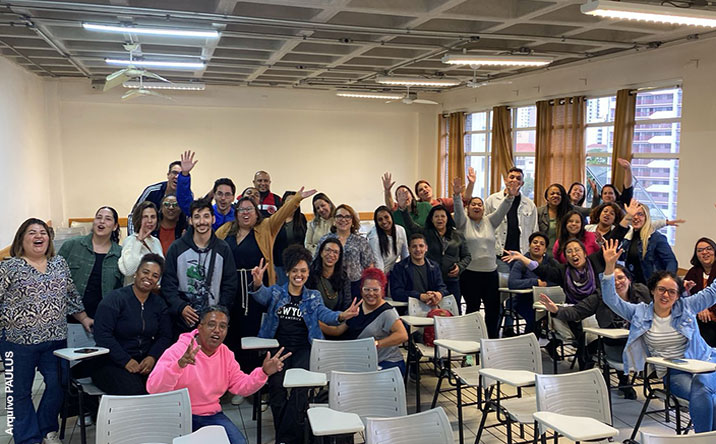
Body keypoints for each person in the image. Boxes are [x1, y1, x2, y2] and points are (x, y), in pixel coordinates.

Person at [601, 239, 716, 433]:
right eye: (661, 289)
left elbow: (713, 292)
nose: (666, 295)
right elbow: (611, 299)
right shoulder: (639, 312)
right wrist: (609, 267)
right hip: (674, 372)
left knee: (705, 389)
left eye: (672, 292)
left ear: (678, 295)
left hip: (705, 362)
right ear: (653, 290)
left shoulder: (686, 306)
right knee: (704, 392)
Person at [249, 246, 360, 444]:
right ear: (287, 272)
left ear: (308, 273)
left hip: (304, 349)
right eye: (294, 271)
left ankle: (285, 439)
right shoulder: (276, 292)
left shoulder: (313, 296)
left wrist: (342, 316)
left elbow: (325, 314)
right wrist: (258, 283)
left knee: (301, 389)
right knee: (277, 387)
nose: (298, 275)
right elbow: (261, 295)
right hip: (278, 349)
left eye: (303, 271)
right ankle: (289, 436)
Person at [0, 218, 93, 444]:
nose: (38, 236)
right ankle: (27, 438)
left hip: (55, 340)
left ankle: (46, 429)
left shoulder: (58, 263)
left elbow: (70, 296)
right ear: (21, 239)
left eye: (43, 232)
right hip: (17, 342)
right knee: (19, 393)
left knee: (59, 383)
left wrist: (84, 318)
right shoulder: (9, 267)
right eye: (32, 232)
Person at [215, 187, 314, 395]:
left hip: (257, 288)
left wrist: (296, 199)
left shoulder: (266, 227)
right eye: (241, 209)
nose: (245, 213)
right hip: (231, 288)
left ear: (256, 212)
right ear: (236, 212)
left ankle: (253, 383)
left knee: (255, 335)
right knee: (231, 335)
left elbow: (282, 214)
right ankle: (231, 383)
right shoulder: (226, 230)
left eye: (249, 209)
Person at [147, 306, 290, 444]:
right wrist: (178, 366)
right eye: (211, 324)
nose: (217, 330)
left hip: (210, 415)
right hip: (178, 415)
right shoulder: (179, 350)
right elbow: (153, 388)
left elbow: (241, 386)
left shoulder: (226, 353)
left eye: (222, 326)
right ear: (199, 327)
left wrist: (264, 372)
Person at [539, 256, 651, 399]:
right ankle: (611, 381)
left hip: (639, 342)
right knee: (591, 349)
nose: (617, 282)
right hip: (613, 342)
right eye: (613, 280)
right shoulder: (601, 296)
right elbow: (577, 311)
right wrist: (556, 310)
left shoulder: (641, 292)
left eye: (621, 278)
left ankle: (625, 382)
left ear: (629, 279)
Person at [92, 254, 171, 395]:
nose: (149, 278)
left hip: (144, 361)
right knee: (134, 390)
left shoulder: (159, 304)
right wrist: (125, 361)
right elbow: (102, 335)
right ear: (136, 273)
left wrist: (152, 357)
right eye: (145, 272)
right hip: (111, 361)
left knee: (164, 384)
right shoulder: (115, 299)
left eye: (155, 275)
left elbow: (165, 335)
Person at [452, 176, 518, 338]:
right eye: (473, 204)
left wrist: (510, 196)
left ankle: (491, 340)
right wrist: (457, 195)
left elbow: (503, 209)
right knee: (472, 310)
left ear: (483, 208)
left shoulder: (490, 221)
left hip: (490, 274)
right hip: (470, 274)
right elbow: (458, 210)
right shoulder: (463, 223)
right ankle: (471, 342)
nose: (477, 206)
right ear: (468, 208)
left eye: (479, 204)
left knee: (493, 310)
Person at [162, 198, 238, 335]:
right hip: (182, 321)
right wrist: (181, 307)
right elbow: (168, 284)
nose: (202, 221)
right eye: (197, 217)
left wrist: (219, 311)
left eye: (206, 216)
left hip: (213, 322)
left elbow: (230, 284)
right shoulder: (176, 248)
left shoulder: (223, 249)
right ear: (190, 220)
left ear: (213, 219)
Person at [322, 268, 409, 375]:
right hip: (363, 362)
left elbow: (402, 335)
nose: (371, 293)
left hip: (386, 362)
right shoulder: (357, 307)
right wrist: (314, 322)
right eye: (367, 289)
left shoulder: (388, 312)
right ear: (361, 290)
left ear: (382, 290)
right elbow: (337, 330)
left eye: (375, 290)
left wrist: (377, 344)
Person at [58, 206, 124, 319]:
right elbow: (55, 280)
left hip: (103, 318)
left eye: (108, 219)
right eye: (99, 217)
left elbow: (121, 291)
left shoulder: (120, 254)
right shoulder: (71, 245)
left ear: (115, 226)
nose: (102, 221)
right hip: (68, 316)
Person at [400, 204, 471, 306]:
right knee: (432, 311)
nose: (439, 219)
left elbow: (467, 256)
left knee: (454, 310)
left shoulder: (457, 235)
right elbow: (411, 226)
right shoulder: (426, 233)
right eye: (436, 216)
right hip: (431, 281)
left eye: (442, 216)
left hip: (452, 281)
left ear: (447, 218)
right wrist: (403, 210)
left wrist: (460, 267)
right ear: (432, 219)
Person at [484, 167, 538, 273]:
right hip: (499, 254)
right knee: (504, 281)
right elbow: (484, 227)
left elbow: (534, 230)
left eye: (518, 178)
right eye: (511, 177)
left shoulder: (529, 204)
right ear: (505, 180)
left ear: (522, 183)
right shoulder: (492, 200)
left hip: (521, 254)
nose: (514, 180)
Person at [316, 204, 375, 296]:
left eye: (347, 216)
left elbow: (369, 266)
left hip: (355, 285)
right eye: (339, 216)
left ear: (352, 220)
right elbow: (316, 261)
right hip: (329, 285)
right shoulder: (325, 239)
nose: (343, 220)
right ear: (334, 220)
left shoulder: (360, 241)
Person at [507, 232, 559, 334]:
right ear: (529, 245)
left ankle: (554, 342)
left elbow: (560, 278)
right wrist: (535, 282)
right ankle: (530, 341)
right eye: (535, 242)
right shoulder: (521, 262)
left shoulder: (551, 262)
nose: (537, 245)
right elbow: (512, 283)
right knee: (534, 317)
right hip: (524, 300)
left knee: (561, 315)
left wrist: (546, 284)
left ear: (545, 249)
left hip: (549, 299)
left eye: (541, 244)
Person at [176, 150, 236, 231]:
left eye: (227, 194)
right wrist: (184, 175)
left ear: (233, 197)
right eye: (220, 194)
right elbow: (184, 200)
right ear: (214, 195)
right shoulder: (204, 213)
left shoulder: (238, 217)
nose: (223, 198)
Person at [620, 202, 678, 285]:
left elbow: (671, 262)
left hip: (651, 286)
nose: (636, 217)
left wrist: (666, 282)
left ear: (646, 217)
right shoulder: (628, 238)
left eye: (640, 214)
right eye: (634, 214)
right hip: (633, 286)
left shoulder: (657, 238)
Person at [389, 233, 449, 305]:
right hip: (407, 307)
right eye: (414, 246)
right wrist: (419, 296)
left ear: (426, 248)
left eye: (421, 246)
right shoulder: (399, 267)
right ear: (409, 249)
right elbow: (396, 293)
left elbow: (442, 287)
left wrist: (439, 294)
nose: (418, 249)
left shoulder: (434, 266)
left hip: (431, 305)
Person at [128, 160, 183, 234]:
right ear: (168, 175)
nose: (177, 177)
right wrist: (133, 237)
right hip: (147, 236)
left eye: (181, 174)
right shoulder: (152, 191)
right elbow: (133, 215)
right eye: (174, 173)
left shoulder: (186, 195)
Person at [119, 201, 164, 285]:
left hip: (153, 290)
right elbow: (128, 270)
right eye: (145, 217)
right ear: (139, 219)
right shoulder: (130, 240)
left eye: (153, 217)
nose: (149, 221)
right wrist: (139, 241)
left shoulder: (156, 241)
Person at [685, 237, 716, 347]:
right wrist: (700, 308)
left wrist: (709, 310)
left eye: (709, 249)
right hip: (697, 319)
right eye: (700, 250)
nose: (705, 252)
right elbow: (686, 298)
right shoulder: (693, 272)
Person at [307, 238, 352, 312]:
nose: (331, 255)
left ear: (339, 256)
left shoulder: (343, 277)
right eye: (328, 250)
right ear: (321, 253)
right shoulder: (309, 275)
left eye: (335, 252)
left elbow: (346, 304)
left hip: (338, 317)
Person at [273, 191, 307, 285]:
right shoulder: (276, 219)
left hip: (298, 262)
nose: (292, 204)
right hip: (280, 264)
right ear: (283, 203)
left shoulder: (301, 218)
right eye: (289, 201)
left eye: (295, 201)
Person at [367, 205, 409, 275]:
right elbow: (378, 263)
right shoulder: (374, 237)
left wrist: (407, 272)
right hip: (380, 273)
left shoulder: (400, 230)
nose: (384, 221)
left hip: (393, 270)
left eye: (386, 217)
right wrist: (382, 279)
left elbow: (405, 254)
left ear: (391, 217)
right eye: (380, 220)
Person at [537, 183, 572, 252]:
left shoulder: (568, 211)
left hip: (562, 253)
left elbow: (589, 211)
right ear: (547, 197)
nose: (555, 196)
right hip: (543, 253)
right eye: (552, 193)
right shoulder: (539, 212)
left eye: (558, 194)